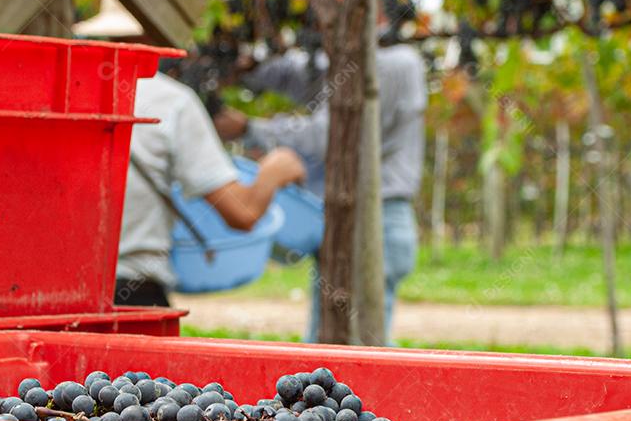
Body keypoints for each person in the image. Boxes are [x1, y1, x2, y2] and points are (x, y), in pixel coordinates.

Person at [216, 42, 427, 345]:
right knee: (328, 343)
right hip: (351, 223)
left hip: (376, 223)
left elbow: (329, 133)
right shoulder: (348, 66)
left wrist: (250, 128)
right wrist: (251, 69)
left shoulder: (394, 64)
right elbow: (307, 79)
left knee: (362, 345)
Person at [115, 68, 306, 308]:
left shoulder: (60, 85)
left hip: (59, 294)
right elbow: (242, 212)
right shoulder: (170, 100)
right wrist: (275, 169)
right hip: (132, 294)